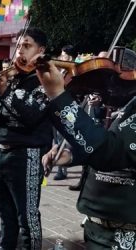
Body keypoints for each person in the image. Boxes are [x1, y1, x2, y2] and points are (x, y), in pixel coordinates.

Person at [37, 57, 136, 250]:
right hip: (97, 228)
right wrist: (73, 155)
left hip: (126, 236)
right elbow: (113, 141)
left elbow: (110, 152)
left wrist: (58, 95)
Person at [0, 27, 53, 249]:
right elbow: (7, 107)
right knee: (6, 215)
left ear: (41, 50)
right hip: (1, 153)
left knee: (28, 220)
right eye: (19, 46)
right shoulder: (14, 77)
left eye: (27, 46)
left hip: (26, 156)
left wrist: (4, 91)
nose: (20, 51)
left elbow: (30, 115)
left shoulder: (45, 79)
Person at [53, 44, 76, 181]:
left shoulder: (72, 73)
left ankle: (62, 169)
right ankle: (60, 165)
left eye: (64, 55)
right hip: (55, 109)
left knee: (63, 140)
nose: (61, 58)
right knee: (56, 139)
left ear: (70, 57)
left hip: (66, 110)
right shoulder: (60, 72)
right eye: (61, 55)